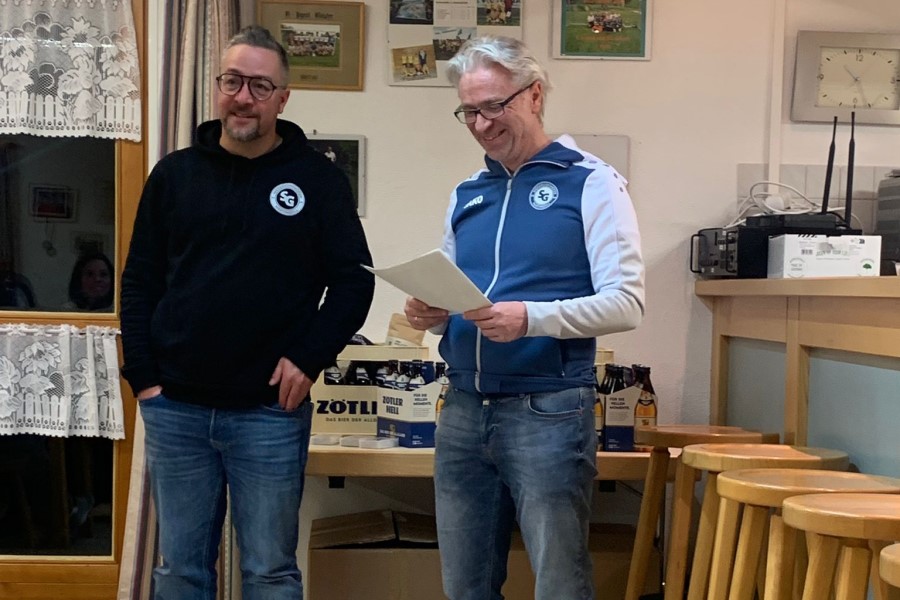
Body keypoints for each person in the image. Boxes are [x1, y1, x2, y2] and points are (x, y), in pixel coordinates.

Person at [121, 25, 374, 600]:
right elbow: (138, 283)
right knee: (180, 571)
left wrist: (309, 358)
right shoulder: (174, 175)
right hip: (175, 408)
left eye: (260, 86)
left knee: (269, 571)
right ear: (217, 87)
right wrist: (145, 379)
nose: (243, 97)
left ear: (283, 99)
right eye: (232, 81)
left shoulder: (319, 181)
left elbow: (354, 282)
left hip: (269, 413)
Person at [404, 35, 644, 600]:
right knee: (465, 586)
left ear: (534, 96)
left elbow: (627, 302)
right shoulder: (467, 194)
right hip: (463, 407)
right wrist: (430, 313)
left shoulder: (592, 182)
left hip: (548, 410)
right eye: (469, 111)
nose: (482, 124)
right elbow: (459, 300)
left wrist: (530, 319)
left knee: (559, 584)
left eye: (494, 106)